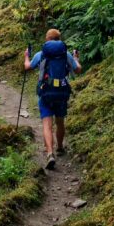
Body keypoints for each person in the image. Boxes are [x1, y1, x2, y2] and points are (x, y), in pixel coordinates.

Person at [24, 29, 81, 170]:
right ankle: (60, 147)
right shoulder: (66, 54)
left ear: (47, 39)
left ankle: (50, 153)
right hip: (62, 93)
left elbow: (27, 67)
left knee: (47, 124)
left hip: (46, 93)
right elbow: (78, 69)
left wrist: (26, 57)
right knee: (60, 122)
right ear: (59, 39)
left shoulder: (41, 54)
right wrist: (76, 59)